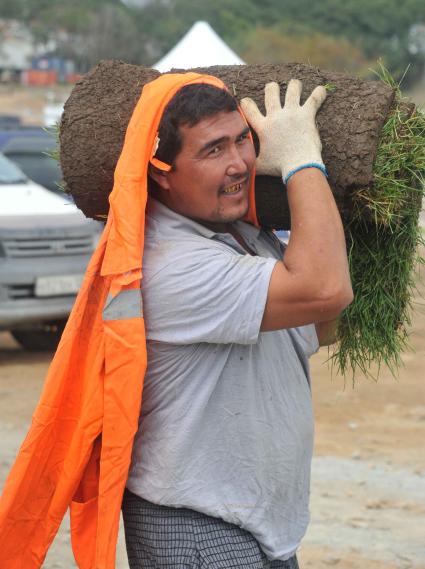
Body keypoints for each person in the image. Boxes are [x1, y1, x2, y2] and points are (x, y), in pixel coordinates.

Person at [121, 78, 353, 568]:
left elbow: (322, 323)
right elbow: (326, 290)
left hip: (254, 514)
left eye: (242, 140)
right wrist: (302, 162)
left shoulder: (241, 235)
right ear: (161, 173)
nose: (239, 164)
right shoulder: (171, 263)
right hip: (197, 520)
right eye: (212, 150)